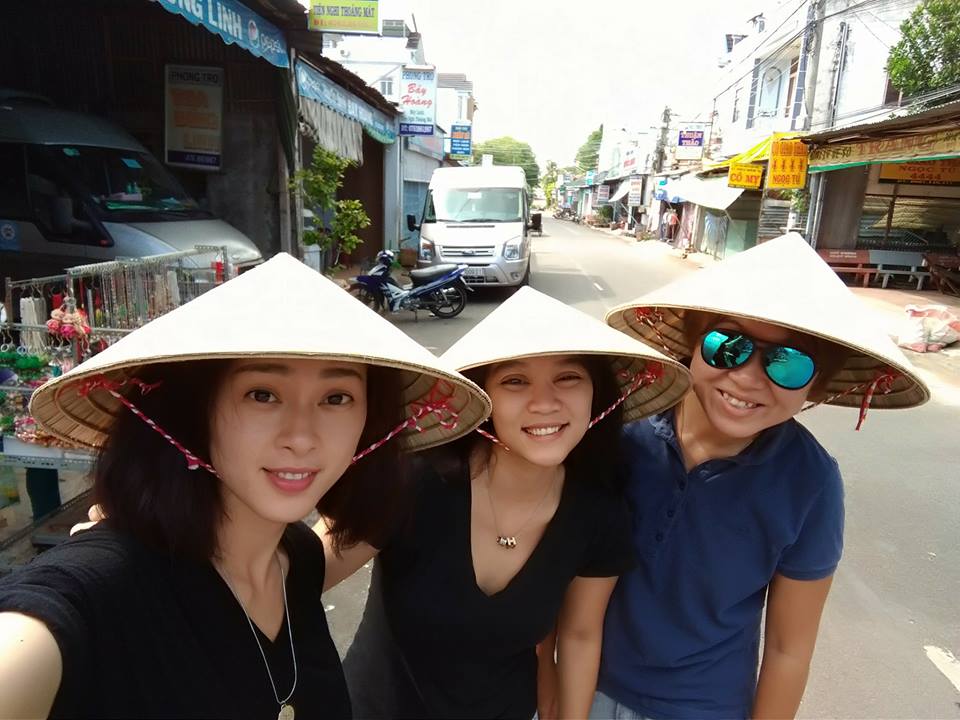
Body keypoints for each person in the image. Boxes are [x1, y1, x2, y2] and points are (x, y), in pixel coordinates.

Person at [0, 253, 489, 719]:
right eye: (262, 394)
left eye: (337, 397)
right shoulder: (96, 593)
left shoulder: (296, 559)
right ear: (195, 410)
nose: (302, 437)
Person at [565, 233, 929, 720]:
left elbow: (788, 649)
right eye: (728, 345)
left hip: (704, 709)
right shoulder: (622, 435)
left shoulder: (810, 483)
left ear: (817, 384)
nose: (749, 378)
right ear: (693, 345)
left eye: (788, 363)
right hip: (579, 685)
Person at [321, 287, 692, 720]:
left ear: (597, 394)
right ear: (483, 396)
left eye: (568, 378)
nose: (545, 403)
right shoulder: (415, 481)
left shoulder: (598, 511)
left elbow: (580, 636)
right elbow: (297, 577)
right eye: (515, 381)